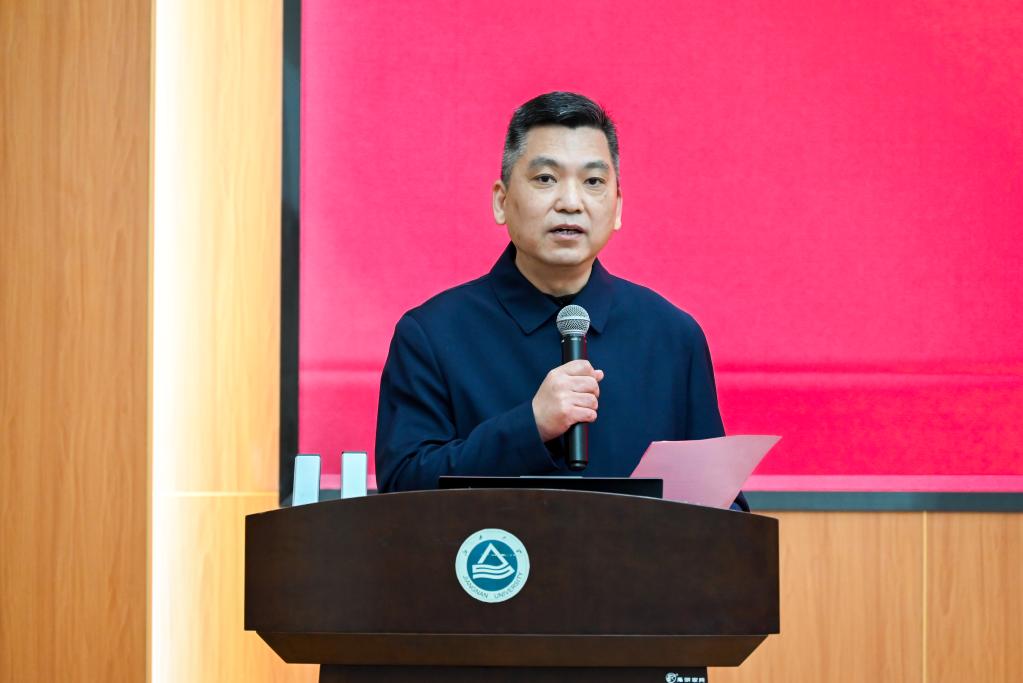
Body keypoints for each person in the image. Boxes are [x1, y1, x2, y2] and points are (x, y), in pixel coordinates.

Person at [375, 91, 748, 510]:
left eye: (593, 182)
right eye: (545, 179)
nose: (570, 202)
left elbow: (720, 507)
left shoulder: (672, 337)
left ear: (617, 206)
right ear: (501, 201)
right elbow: (402, 490)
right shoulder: (430, 335)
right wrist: (529, 426)